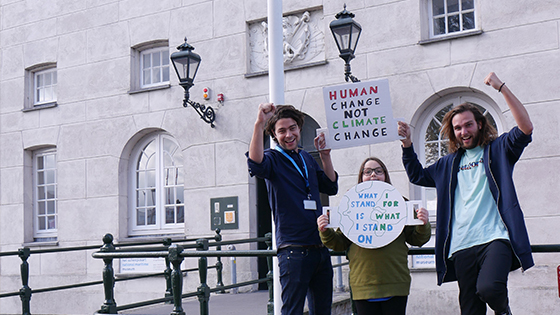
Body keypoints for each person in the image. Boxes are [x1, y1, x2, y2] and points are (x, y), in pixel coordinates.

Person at [397, 72, 534, 315]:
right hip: (461, 246)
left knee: (490, 288)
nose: (463, 131)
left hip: (494, 238)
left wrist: (501, 87)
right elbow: (417, 175)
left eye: (468, 124)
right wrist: (407, 144)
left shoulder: (498, 150)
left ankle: (504, 311)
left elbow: (525, 128)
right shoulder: (447, 164)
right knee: (471, 311)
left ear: (479, 124)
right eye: (457, 128)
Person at [247, 103, 338, 315]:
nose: (289, 134)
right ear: (273, 134)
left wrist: (324, 156)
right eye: (282, 130)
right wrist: (259, 124)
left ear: (299, 128)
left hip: (320, 246)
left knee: (323, 310)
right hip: (294, 250)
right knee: (292, 311)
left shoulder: (306, 157)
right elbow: (255, 163)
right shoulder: (272, 158)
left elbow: (331, 186)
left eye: (293, 128)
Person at [317, 157, 431, 315]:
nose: (373, 175)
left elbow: (417, 239)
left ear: (385, 175)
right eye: (367, 172)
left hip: (395, 282)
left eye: (378, 171)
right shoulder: (351, 205)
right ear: (361, 177)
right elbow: (339, 243)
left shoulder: (400, 203)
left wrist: (423, 223)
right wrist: (325, 230)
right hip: (363, 284)